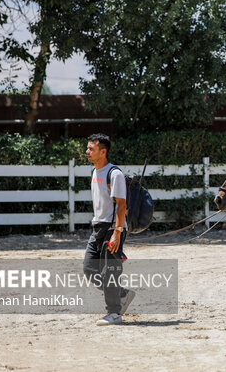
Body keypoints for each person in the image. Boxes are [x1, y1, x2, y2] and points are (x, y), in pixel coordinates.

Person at [84, 133, 135, 326]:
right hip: (97, 227)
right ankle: (121, 294)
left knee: (109, 272)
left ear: (103, 152)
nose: (87, 152)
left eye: (91, 149)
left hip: (113, 228)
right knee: (89, 269)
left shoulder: (115, 174)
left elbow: (122, 205)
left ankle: (114, 313)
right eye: (88, 148)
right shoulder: (94, 172)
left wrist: (117, 232)